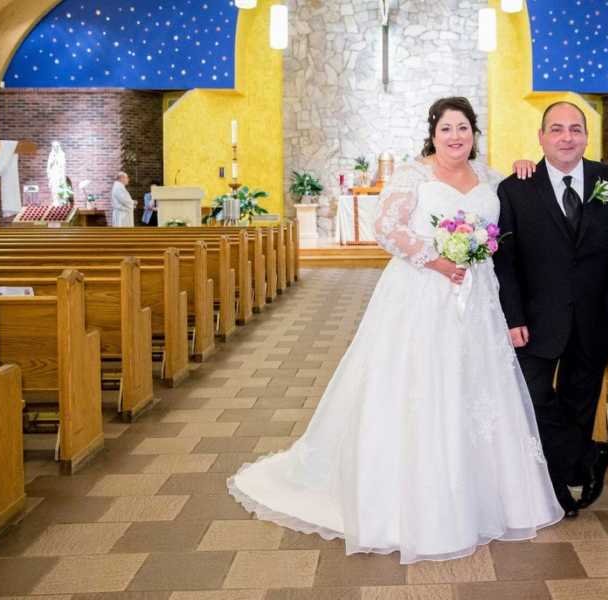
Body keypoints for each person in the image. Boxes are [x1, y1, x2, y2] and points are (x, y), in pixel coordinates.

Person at [228, 97, 563, 564]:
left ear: (474, 132)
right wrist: (438, 260)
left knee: (477, 389)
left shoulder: (490, 178)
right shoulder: (413, 176)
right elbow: (386, 228)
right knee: (420, 386)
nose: (455, 137)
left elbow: (511, 219)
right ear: (433, 133)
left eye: (463, 128)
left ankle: (484, 495)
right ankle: (414, 501)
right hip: (423, 294)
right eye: (446, 128)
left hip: (477, 298)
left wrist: (527, 164)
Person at [494, 101, 608, 518]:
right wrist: (512, 316)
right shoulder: (515, 188)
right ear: (541, 137)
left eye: (575, 129)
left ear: (587, 136)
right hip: (536, 320)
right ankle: (587, 455)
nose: (566, 137)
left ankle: (559, 486)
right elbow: (505, 261)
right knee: (531, 397)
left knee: (578, 404)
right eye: (556, 129)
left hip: (593, 317)